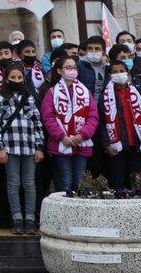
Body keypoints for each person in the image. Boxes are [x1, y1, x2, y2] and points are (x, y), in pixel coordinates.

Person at [0, 62, 44, 234]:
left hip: (29, 147)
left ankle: (30, 218)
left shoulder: (29, 98)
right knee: (13, 183)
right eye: (12, 77)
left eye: (19, 77)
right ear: (6, 79)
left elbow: (37, 123)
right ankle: (16, 218)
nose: (16, 80)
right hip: (10, 146)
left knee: (29, 183)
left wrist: (39, 147)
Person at [41, 54, 98, 192]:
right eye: (68, 68)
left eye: (74, 68)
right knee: (65, 181)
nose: (72, 71)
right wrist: (62, 136)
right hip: (61, 143)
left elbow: (93, 116)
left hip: (81, 142)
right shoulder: (52, 92)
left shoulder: (84, 91)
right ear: (60, 70)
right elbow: (48, 117)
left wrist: (83, 135)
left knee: (80, 181)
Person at [100, 58, 141, 189]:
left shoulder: (138, 93)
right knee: (118, 184)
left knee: (138, 184)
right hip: (117, 147)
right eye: (115, 72)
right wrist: (106, 144)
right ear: (110, 75)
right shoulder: (106, 95)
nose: (118, 74)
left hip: (136, 145)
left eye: (121, 71)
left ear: (128, 73)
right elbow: (102, 122)